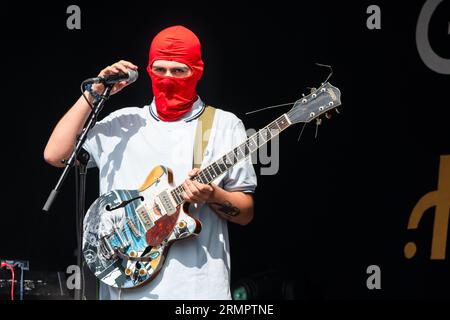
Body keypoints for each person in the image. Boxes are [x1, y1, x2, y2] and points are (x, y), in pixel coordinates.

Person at [44, 25, 257, 300]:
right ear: (148, 70)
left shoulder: (222, 125)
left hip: (195, 291)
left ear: (197, 71)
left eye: (179, 70)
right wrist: (96, 91)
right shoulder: (122, 124)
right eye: (160, 69)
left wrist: (213, 194)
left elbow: (246, 212)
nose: (168, 78)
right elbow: (55, 154)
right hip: (123, 287)